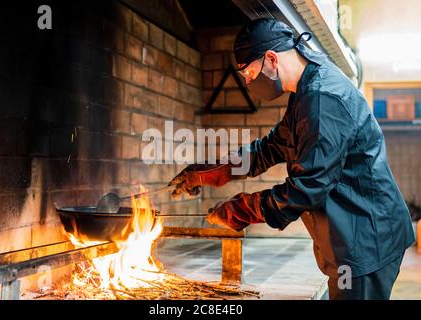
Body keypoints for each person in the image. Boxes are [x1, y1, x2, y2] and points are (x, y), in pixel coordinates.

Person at [169, 18, 415, 300]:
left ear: (271, 59)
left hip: (366, 241)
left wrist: (244, 208)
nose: (248, 82)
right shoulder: (306, 91)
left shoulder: (323, 98)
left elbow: (308, 186)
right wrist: (216, 171)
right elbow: (271, 147)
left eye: (248, 73)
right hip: (354, 231)